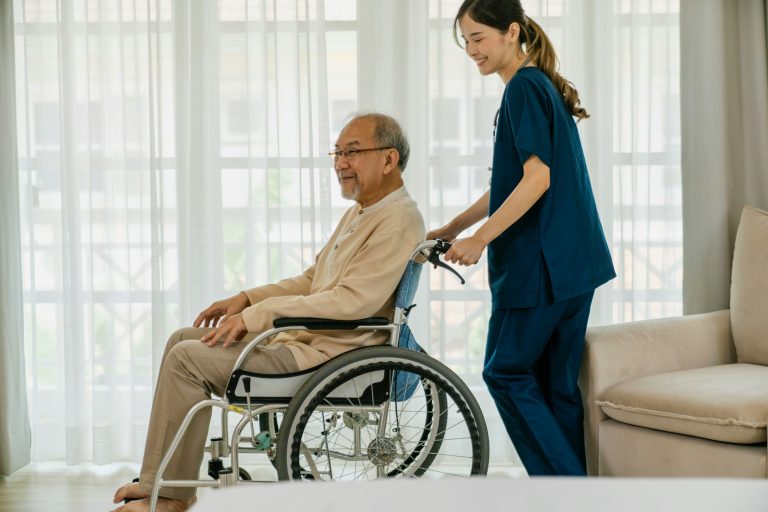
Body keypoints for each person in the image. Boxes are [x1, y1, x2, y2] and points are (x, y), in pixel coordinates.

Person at [111, 112, 426, 512]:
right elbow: (314, 281)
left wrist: (259, 317)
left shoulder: (397, 219)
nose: (340, 163)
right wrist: (246, 300)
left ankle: (169, 495)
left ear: (389, 159)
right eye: (337, 152)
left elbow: (352, 303)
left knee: (187, 360)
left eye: (353, 152)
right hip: (309, 344)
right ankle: (164, 481)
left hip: (329, 359)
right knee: (182, 339)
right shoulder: (364, 211)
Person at [427, 0, 615, 476]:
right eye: (465, 41)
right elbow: (510, 184)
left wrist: (481, 240)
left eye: (478, 38)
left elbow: (537, 180)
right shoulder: (538, 85)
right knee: (556, 388)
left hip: (540, 270)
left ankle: (568, 493)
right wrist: (455, 228)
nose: (471, 50)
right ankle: (574, 496)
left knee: (505, 372)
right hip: (575, 266)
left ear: (511, 31)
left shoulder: (522, 89)